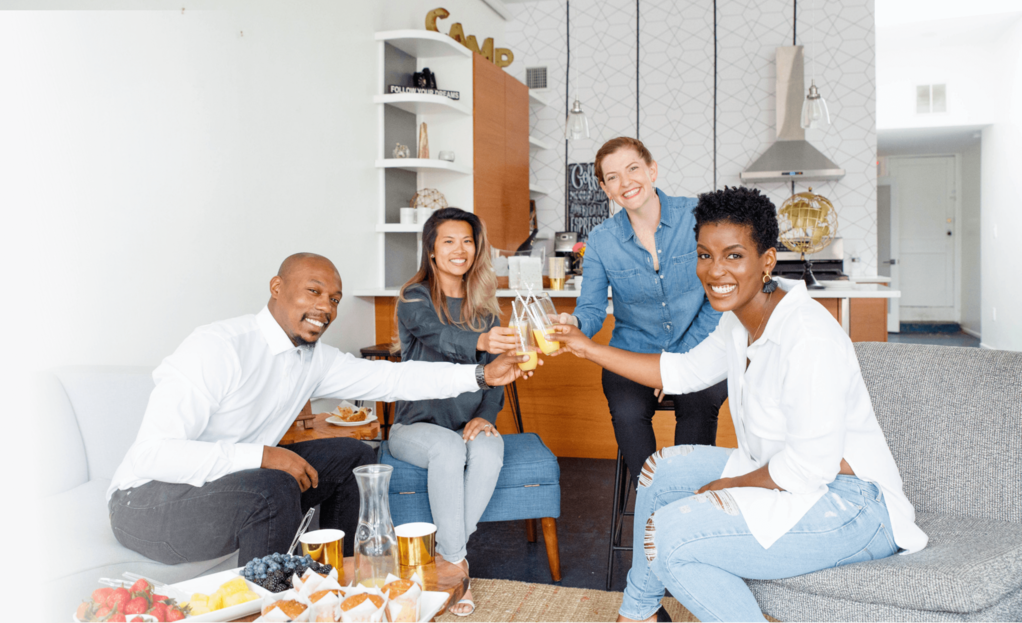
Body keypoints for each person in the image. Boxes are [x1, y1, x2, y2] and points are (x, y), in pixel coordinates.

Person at [551, 187, 927, 623]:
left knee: (667, 535)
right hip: (790, 477)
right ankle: (640, 615)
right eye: (704, 255)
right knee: (659, 472)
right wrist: (585, 347)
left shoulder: (807, 337)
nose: (715, 271)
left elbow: (809, 469)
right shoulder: (738, 321)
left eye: (733, 256)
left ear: (767, 260)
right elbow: (683, 372)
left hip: (852, 506)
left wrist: (729, 488)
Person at [107, 253, 537, 569]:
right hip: (147, 504)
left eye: (334, 299)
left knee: (352, 457)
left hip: (231, 487)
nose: (326, 308)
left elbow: (395, 380)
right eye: (314, 292)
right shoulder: (217, 347)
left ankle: (334, 582)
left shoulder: (313, 359)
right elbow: (153, 455)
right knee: (272, 484)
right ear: (277, 289)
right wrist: (264, 456)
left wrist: (482, 377)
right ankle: (273, 605)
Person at [569, 137, 728, 491]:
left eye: (633, 169)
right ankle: (652, 499)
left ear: (652, 170)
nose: (625, 183)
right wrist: (575, 323)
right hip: (633, 353)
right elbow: (592, 309)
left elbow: (718, 298)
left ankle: (689, 497)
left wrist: (671, 365)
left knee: (700, 404)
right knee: (626, 411)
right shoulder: (600, 241)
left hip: (698, 349)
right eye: (612, 177)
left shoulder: (700, 217)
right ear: (604, 188)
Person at [387, 208, 520, 617]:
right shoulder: (415, 298)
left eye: (467, 241)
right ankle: (458, 570)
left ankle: (448, 561)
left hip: (467, 421)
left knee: (490, 449)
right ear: (431, 251)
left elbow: (498, 377)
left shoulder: (486, 308)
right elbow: (439, 336)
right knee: (448, 449)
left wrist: (487, 416)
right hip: (414, 427)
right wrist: (482, 340)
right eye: (448, 241)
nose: (460, 250)